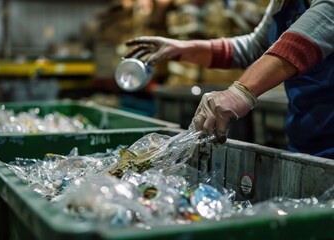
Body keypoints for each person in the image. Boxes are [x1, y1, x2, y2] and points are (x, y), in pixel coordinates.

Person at [123, 0, 334, 159]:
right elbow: (255, 47)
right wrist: (184, 49)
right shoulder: (282, 3)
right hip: (306, 139)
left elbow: (303, 41)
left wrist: (240, 92)